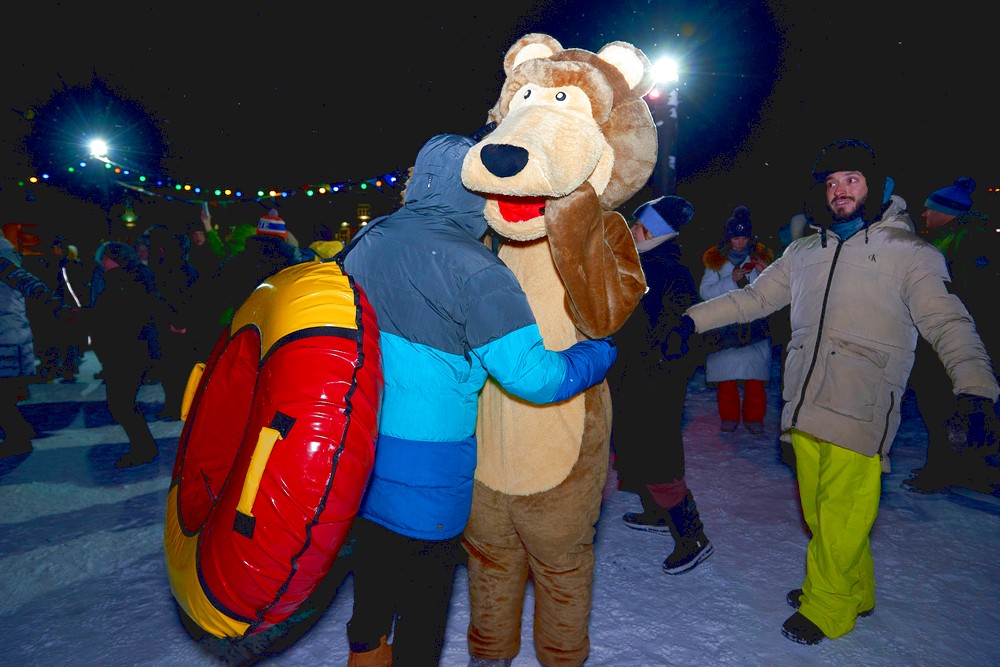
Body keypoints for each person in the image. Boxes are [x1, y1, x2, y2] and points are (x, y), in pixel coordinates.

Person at [671, 139, 999, 645]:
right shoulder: (805, 251)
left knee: (843, 514)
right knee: (822, 513)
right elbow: (752, 298)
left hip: (862, 402)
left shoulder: (912, 255)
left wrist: (975, 388)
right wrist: (689, 322)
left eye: (851, 179)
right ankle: (854, 591)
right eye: (831, 182)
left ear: (877, 186)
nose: (839, 190)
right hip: (804, 402)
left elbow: (949, 323)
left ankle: (827, 608)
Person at [340, 132, 618, 667]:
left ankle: (365, 656)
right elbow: (534, 378)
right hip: (433, 461)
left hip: (365, 446)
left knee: (374, 571)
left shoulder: (369, 238)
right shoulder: (477, 268)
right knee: (424, 598)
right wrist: (597, 352)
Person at [609, 195, 714, 575]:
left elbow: (675, 334)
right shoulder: (648, 262)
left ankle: (693, 538)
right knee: (637, 450)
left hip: (653, 383)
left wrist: (654, 366)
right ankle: (656, 513)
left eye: (638, 226)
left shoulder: (668, 269)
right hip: (636, 376)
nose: (632, 231)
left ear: (653, 231)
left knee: (657, 459)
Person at [904, 176, 1000, 494]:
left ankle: (945, 471)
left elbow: (972, 293)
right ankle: (959, 467)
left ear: (947, 211)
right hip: (947, 338)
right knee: (951, 407)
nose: (924, 214)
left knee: (941, 405)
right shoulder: (950, 239)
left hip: (950, 341)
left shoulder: (966, 242)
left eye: (929, 209)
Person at [88, 241, 177, 468]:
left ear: (115, 259)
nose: (102, 262)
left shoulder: (124, 281)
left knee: (121, 403)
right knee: (122, 403)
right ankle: (143, 447)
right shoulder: (132, 278)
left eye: (105, 258)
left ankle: (144, 448)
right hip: (130, 351)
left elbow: (118, 317)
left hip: (128, 352)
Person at [697, 205, 775, 434]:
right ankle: (729, 417)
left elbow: (772, 293)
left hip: (754, 325)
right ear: (728, 238)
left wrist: (765, 273)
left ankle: (754, 418)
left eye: (744, 238)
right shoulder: (717, 262)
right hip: (726, 327)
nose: (740, 243)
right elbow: (705, 292)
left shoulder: (758, 259)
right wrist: (730, 279)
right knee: (726, 377)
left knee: (755, 377)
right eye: (735, 238)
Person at [0, 236, 71, 459]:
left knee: (3, 395)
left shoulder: (3, 258)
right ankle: (20, 431)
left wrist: (58, 307)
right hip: (8, 333)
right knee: (5, 394)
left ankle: (18, 438)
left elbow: (27, 282)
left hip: (6, 336)